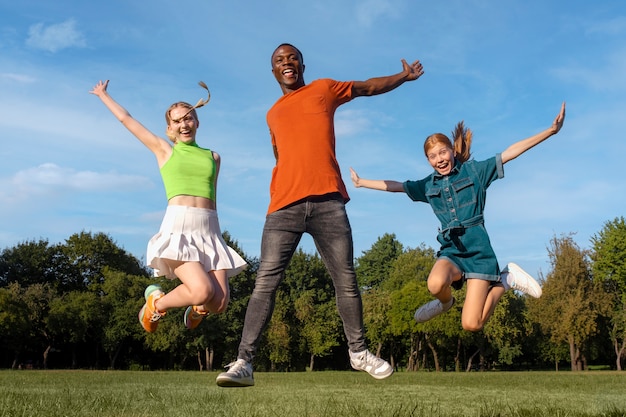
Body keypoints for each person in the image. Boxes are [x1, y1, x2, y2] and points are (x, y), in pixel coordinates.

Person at [215, 43, 424, 387]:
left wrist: (402, 77)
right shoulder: (272, 113)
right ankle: (244, 362)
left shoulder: (323, 89)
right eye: (280, 60)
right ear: (273, 72)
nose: (287, 62)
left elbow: (366, 87)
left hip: (329, 202)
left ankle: (358, 352)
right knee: (265, 282)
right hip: (283, 207)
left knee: (346, 279)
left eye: (292, 57)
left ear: (302, 64)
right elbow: (280, 154)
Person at [349, 102, 566, 332]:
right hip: (452, 250)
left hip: (478, 251)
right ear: (428, 160)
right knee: (434, 284)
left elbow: (509, 153)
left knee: (472, 324)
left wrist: (550, 131)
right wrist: (362, 183)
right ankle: (446, 302)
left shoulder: (475, 172)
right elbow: (396, 186)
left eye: (443, 152)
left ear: (452, 150)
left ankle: (506, 280)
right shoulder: (427, 185)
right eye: (433, 156)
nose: (439, 159)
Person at [90, 80, 247, 333]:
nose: (184, 124)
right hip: (180, 228)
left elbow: (213, 197)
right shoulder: (165, 150)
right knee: (202, 290)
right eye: (177, 121)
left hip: (209, 229)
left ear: (197, 122)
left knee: (218, 303)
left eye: (188, 118)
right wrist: (103, 95)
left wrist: (218, 235)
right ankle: (156, 304)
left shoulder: (213, 157)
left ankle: (198, 307)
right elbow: (127, 120)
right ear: (169, 128)